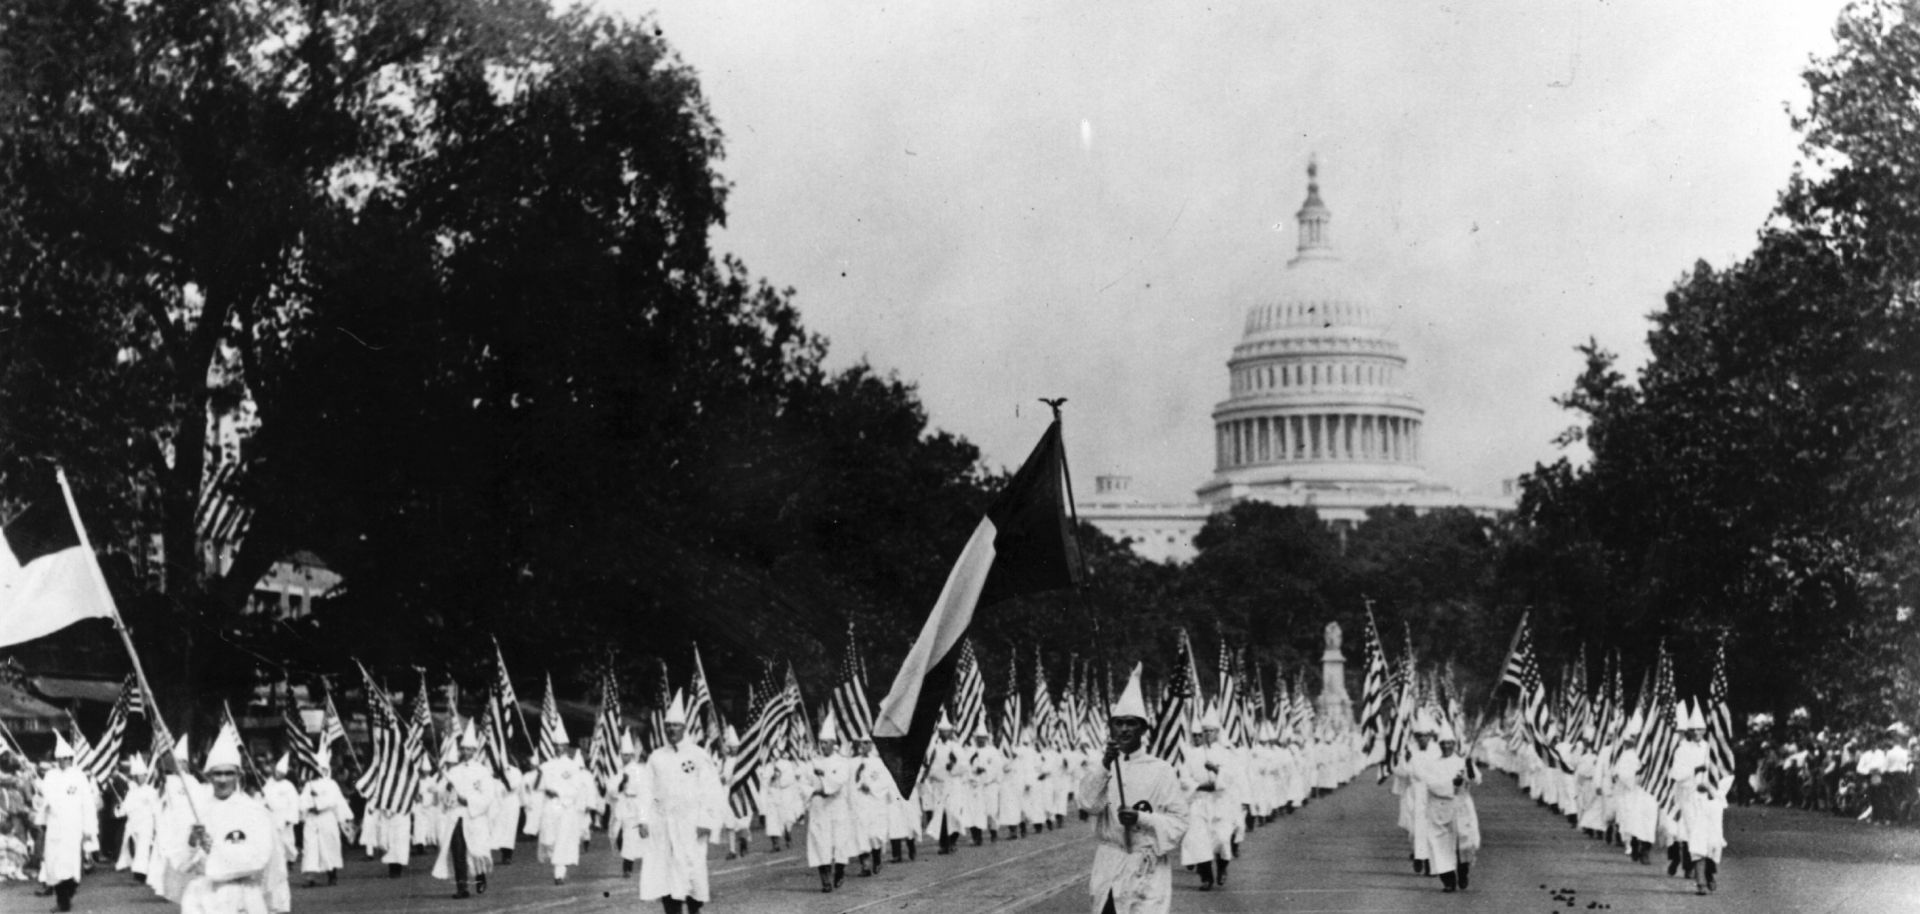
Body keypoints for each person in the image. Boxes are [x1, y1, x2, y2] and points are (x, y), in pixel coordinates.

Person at [1079, 664, 1188, 914]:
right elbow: (1087, 804)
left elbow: (1180, 822)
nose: (1125, 729)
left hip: (1145, 868)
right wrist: (1105, 766)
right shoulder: (1103, 769)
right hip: (1110, 864)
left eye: (1131, 723)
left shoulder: (1161, 770)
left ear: (1143, 729)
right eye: (1119, 723)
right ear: (1111, 728)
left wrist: (1143, 818)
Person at [175, 727, 282, 914]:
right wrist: (192, 843)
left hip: (242, 896)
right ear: (208, 776)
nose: (223, 780)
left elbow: (259, 858)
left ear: (239, 776)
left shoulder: (254, 812)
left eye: (228, 773)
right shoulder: (198, 809)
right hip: (203, 897)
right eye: (217, 774)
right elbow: (181, 864)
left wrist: (215, 850)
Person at [639, 691, 725, 914]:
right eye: (668, 726)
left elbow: (711, 790)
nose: (671, 730)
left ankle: (694, 910)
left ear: (684, 727)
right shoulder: (656, 757)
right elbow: (646, 789)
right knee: (666, 873)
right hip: (664, 824)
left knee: (692, 871)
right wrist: (643, 819)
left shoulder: (697, 755)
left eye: (675, 725)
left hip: (691, 824)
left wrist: (706, 819)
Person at [1413, 719, 1480, 892]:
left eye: (1450, 743)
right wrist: (1452, 783)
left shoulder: (1462, 761)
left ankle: (1463, 872)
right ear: (1440, 745)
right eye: (1443, 744)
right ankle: (1448, 880)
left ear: (1454, 744)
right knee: (1441, 846)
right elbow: (1432, 785)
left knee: (1462, 845)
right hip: (1440, 810)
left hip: (1461, 808)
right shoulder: (1433, 764)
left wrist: (1469, 770)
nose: (1446, 746)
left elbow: (1476, 780)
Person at [433, 726, 494, 899]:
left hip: (474, 817)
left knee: (476, 850)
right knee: (458, 851)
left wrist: (467, 800)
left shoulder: (483, 772)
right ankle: (462, 888)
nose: (466, 752)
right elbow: (441, 792)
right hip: (457, 817)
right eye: (463, 749)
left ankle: (480, 876)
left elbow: (488, 797)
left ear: (475, 750)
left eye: (469, 749)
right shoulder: (453, 771)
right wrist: (447, 788)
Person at [1669, 700, 1723, 894]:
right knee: (1697, 837)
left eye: (1701, 729)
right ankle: (1700, 880)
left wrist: (1713, 789)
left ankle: (1709, 873)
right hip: (1691, 799)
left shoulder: (1711, 748)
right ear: (1689, 731)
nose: (1698, 733)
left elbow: (1721, 774)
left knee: (1713, 838)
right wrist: (1695, 771)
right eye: (1694, 729)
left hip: (1709, 799)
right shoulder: (1682, 750)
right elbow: (1676, 774)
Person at [1180, 706, 1237, 890]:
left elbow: (1232, 776)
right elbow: (1184, 778)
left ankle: (1222, 868)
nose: (1207, 734)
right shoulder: (1192, 754)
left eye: (1210, 731)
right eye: (1204, 731)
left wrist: (1216, 770)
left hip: (1220, 801)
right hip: (1200, 800)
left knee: (1221, 838)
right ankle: (1206, 877)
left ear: (1217, 732)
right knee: (1199, 839)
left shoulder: (1225, 753)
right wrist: (1199, 785)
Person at [38, 733, 96, 912]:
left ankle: (68, 893)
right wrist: (42, 817)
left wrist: (89, 828)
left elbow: (88, 805)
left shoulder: (79, 777)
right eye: (60, 759)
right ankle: (62, 901)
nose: (63, 762)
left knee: (69, 865)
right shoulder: (50, 776)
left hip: (73, 827)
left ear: (71, 759)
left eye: (66, 759)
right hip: (55, 828)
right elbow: (44, 799)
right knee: (54, 865)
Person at [802, 713, 854, 892]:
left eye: (826, 742)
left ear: (833, 743)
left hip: (836, 805)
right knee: (819, 842)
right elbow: (804, 783)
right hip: (819, 808)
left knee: (839, 841)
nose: (822, 745)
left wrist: (823, 784)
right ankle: (825, 878)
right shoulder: (813, 762)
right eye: (821, 742)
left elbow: (840, 781)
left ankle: (839, 870)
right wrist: (812, 790)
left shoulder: (841, 762)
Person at [534, 737, 588, 884]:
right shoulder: (546, 765)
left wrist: (560, 794)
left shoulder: (572, 766)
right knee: (548, 839)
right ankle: (557, 863)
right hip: (550, 806)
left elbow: (576, 788)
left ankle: (559, 872)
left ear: (566, 746)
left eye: (562, 745)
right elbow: (537, 787)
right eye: (556, 745)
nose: (559, 748)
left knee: (562, 839)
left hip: (565, 807)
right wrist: (539, 776)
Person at [297, 749, 349, 887]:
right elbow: (302, 800)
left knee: (329, 846)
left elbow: (333, 800)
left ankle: (332, 875)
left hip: (327, 818)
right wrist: (309, 805)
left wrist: (319, 804)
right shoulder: (309, 784)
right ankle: (310, 878)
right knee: (310, 848)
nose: (322, 771)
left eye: (324, 769)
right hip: (312, 819)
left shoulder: (332, 784)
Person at [1611, 718, 1657, 864]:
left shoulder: (1655, 753)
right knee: (1635, 822)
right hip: (1634, 793)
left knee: (1650, 822)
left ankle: (1646, 850)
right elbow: (1622, 774)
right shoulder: (1628, 755)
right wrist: (1638, 773)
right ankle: (1636, 846)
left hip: (1651, 793)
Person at [922, 713, 966, 854]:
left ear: (950, 732)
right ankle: (944, 844)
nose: (944, 734)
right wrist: (941, 771)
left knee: (954, 814)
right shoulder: (934, 748)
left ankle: (952, 840)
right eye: (941, 731)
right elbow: (930, 768)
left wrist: (953, 767)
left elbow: (964, 766)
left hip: (953, 785)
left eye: (946, 731)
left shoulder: (956, 747)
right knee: (941, 816)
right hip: (939, 786)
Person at [117, 754, 161, 881]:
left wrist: (156, 826)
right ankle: (137, 869)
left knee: (143, 848)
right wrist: (120, 808)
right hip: (133, 824)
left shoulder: (151, 791)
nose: (140, 778)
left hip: (146, 824)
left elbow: (155, 810)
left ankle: (141, 872)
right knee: (135, 848)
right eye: (138, 776)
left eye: (142, 775)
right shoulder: (131, 792)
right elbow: (126, 808)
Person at [612, 732, 649, 877]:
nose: (624, 757)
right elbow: (612, 789)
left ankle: (628, 867)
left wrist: (643, 813)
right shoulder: (620, 770)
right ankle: (628, 864)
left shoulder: (639, 770)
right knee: (624, 837)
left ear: (632, 755)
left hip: (636, 804)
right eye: (623, 755)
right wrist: (621, 784)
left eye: (627, 755)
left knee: (635, 837)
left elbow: (644, 790)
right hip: (623, 803)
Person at [261, 757, 300, 869]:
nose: (279, 775)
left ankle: (291, 859)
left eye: (281, 773)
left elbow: (294, 803)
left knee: (287, 841)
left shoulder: (288, 785)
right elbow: (264, 797)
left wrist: (290, 818)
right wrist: (264, 803)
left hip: (284, 817)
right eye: (278, 772)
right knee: (273, 840)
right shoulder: (269, 783)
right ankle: (277, 860)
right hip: (272, 816)